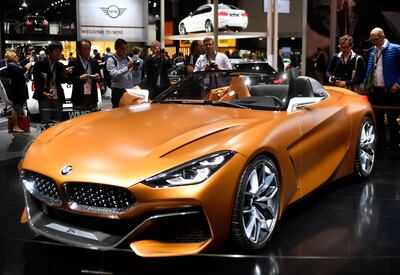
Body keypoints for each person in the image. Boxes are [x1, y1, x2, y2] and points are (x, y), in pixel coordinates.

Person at [364, 27, 400, 150]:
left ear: (383, 36)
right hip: (376, 90)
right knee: (377, 119)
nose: (374, 41)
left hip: (390, 90)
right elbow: (370, 69)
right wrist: (368, 84)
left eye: (376, 39)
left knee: (391, 119)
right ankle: (381, 144)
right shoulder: (372, 50)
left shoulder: (395, 49)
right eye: (372, 39)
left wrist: (398, 84)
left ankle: (395, 144)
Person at [32, 41, 70, 123]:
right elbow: (36, 82)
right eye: (56, 51)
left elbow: (63, 80)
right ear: (49, 51)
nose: (59, 53)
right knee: (46, 121)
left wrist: (67, 74)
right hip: (45, 97)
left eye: (60, 51)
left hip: (57, 97)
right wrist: (44, 93)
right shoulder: (39, 64)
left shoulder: (60, 66)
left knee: (58, 122)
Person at [67, 39, 102, 110]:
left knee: (93, 120)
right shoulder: (73, 62)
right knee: (80, 120)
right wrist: (80, 78)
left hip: (92, 97)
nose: (87, 51)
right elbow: (68, 80)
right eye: (84, 49)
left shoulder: (94, 62)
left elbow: (100, 79)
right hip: (79, 98)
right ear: (78, 50)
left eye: (89, 48)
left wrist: (99, 78)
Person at [4, 51, 33, 132]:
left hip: (19, 88)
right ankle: (15, 126)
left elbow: (21, 62)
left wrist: (27, 59)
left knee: (19, 105)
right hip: (16, 89)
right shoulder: (11, 66)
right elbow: (23, 70)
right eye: (16, 56)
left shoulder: (14, 64)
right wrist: (30, 62)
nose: (18, 57)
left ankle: (18, 125)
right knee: (16, 107)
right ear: (12, 58)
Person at [106, 38, 139, 108]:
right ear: (116, 48)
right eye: (122, 49)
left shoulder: (128, 58)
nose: (125, 51)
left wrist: (135, 68)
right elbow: (114, 75)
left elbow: (134, 74)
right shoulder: (111, 60)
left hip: (129, 90)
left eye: (126, 49)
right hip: (118, 90)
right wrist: (127, 67)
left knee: (130, 112)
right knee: (118, 113)